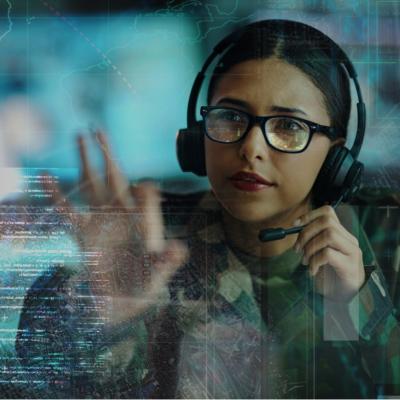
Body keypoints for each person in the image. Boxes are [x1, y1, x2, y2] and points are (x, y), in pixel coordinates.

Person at [15, 19, 400, 399]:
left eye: (288, 125)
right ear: (198, 138)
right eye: (231, 118)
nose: (252, 148)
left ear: (337, 155)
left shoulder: (382, 234)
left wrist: (357, 302)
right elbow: (41, 368)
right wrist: (104, 315)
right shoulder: (143, 237)